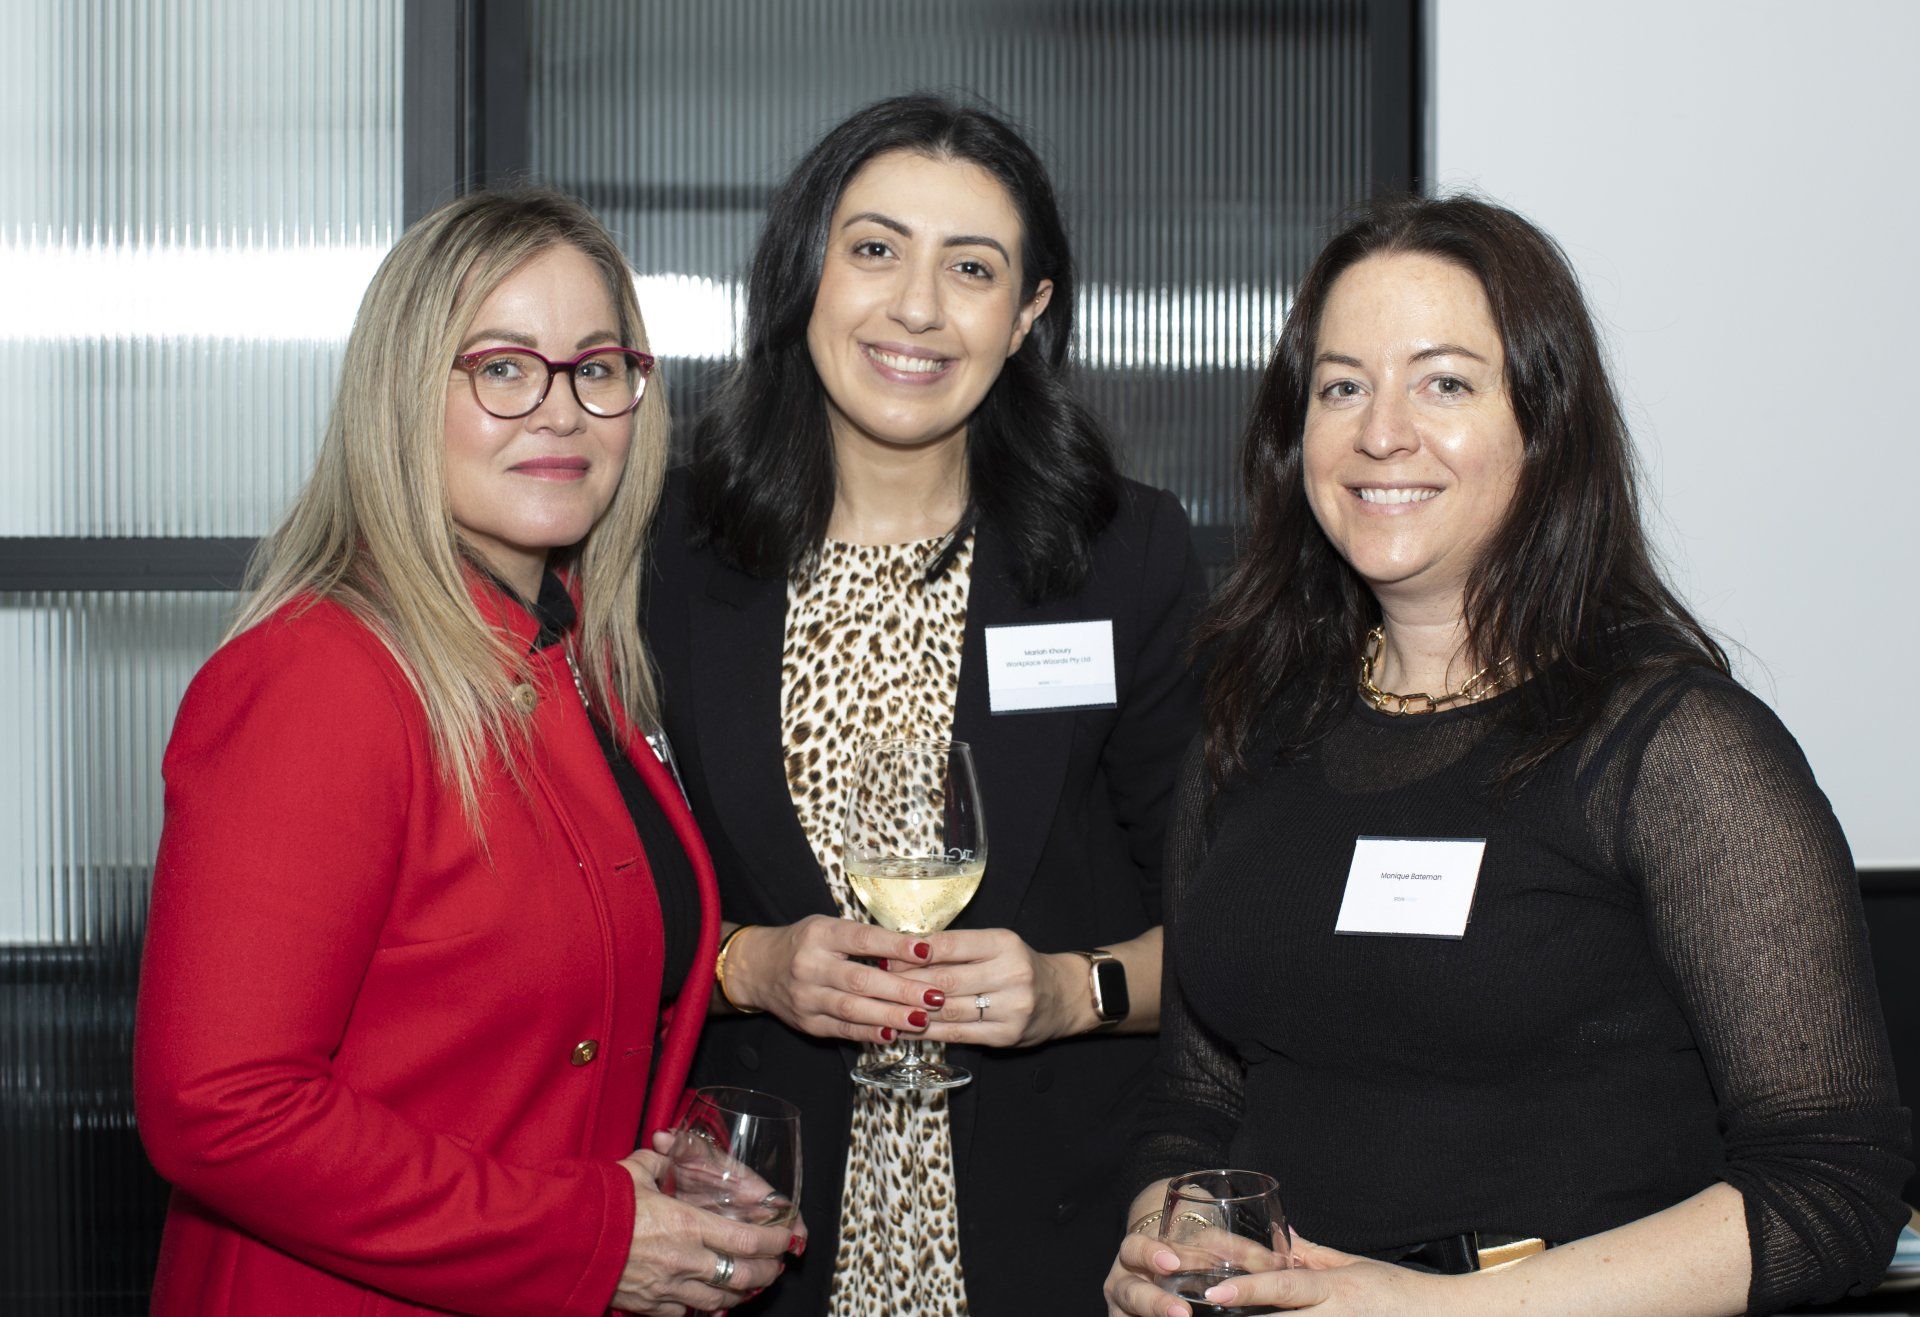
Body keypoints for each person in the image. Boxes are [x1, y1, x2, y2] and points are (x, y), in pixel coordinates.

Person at [1102, 193, 1913, 1317]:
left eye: (1444, 382)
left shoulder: (1675, 751)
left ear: (1544, 424)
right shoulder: (1249, 731)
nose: (1382, 431)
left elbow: (1834, 1188)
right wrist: (1168, 1241)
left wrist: (1428, 1311)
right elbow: (1195, 1099)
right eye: (1343, 386)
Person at [134, 188, 799, 1316]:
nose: (561, 411)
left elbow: (543, 1028)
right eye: (502, 368)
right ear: (403, 395)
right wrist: (591, 1233)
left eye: (597, 368)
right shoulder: (319, 677)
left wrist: (662, 1185)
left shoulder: (579, 659)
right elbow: (220, 1106)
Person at [643, 94, 1204, 1315]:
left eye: (973, 268)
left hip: (1053, 1238)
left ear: (1029, 313)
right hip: (749, 1240)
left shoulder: (1125, 556)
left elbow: (1229, 921)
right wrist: (744, 964)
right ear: (807, 273)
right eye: (877, 249)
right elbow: (584, 904)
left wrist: (1073, 992)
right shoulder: (666, 552)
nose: (917, 307)